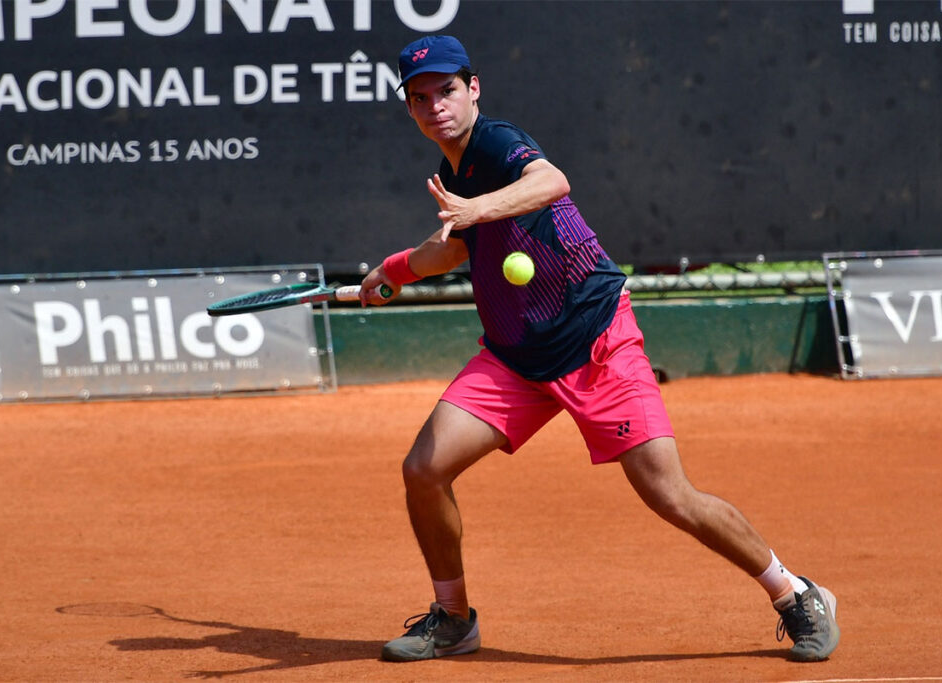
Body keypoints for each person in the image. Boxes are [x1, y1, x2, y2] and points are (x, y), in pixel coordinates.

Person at [358, 34, 840, 664]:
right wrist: (394, 269)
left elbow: (551, 181)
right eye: (420, 99)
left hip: (596, 342)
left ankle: (796, 593)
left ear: (473, 89)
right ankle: (453, 619)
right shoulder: (456, 174)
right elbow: (452, 246)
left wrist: (477, 209)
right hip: (516, 357)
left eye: (446, 90)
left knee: (670, 495)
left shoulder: (498, 143)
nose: (435, 107)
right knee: (424, 469)